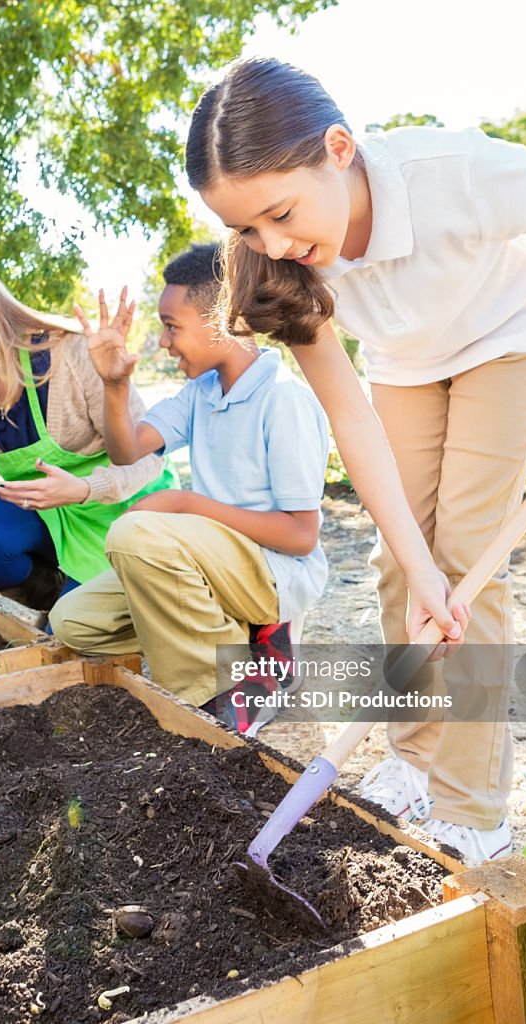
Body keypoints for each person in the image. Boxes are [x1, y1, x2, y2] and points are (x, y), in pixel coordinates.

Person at [184, 57, 526, 862]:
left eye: (280, 213)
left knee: (464, 564)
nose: (273, 243)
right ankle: (413, 757)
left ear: (340, 150)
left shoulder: (456, 173)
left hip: (506, 337)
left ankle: (473, 808)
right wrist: (412, 559)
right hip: (404, 362)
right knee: (405, 565)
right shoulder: (282, 268)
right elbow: (350, 416)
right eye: (246, 229)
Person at [49, 243, 330, 736]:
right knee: (74, 621)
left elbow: (301, 537)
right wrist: (113, 385)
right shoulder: (201, 393)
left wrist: (186, 504)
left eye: (171, 325)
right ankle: (237, 640)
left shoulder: (282, 399)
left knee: (135, 536)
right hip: (214, 565)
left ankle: (230, 690)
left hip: (275, 572)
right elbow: (128, 449)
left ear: (223, 318)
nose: (162, 342)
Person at [0, 252, 177, 623]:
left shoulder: (73, 354)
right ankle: (69, 602)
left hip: (124, 509)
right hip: (54, 518)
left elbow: (150, 457)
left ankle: (118, 603)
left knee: (95, 628)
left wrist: (84, 489)